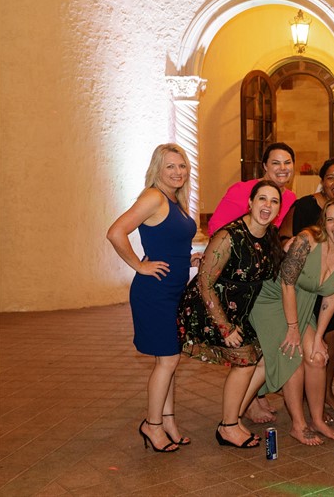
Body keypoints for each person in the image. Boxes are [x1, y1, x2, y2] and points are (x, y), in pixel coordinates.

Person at [248, 198, 334, 445]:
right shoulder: (307, 241)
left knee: (318, 356)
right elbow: (286, 283)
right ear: (323, 223)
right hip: (273, 300)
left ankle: (317, 419)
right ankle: (298, 425)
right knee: (293, 354)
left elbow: (332, 297)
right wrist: (293, 330)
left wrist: (319, 335)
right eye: (330, 219)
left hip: (303, 304)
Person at [178, 180, 284, 448]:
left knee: (261, 359)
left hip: (239, 312)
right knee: (246, 360)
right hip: (209, 308)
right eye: (262, 199)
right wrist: (225, 327)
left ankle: (233, 417)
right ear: (250, 203)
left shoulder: (268, 235)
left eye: (274, 201)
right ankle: (227, 427)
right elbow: (204, 281)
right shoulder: (230, 236)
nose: (267, 206)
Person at [107, 144, 200, 453]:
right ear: (158, 169)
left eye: (182, 166)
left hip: (174, 289)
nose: (177, 172)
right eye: (170, 166)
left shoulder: (174, 199)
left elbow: (168, 243)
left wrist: (188, 260)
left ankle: (168, 421)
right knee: (169, 359)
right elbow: (116, 232)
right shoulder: (153, 197)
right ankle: (152, 425)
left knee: (168, 360)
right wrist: (139, 265)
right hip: (155, 292)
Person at [278, 158, 334, 411]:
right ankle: (301, 403)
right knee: (294, 349)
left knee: (332, 337)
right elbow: (285, 236)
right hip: (298, 286)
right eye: (330, 177)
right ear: (322, 181)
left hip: (328, 283)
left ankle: (323, 390)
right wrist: (289, 245)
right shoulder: (304, 207)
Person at [209, 142, 296, 235]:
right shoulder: (241, 190)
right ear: (265, 166)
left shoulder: (291, 198)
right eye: (276, 163)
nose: (283, 168)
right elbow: (216, 226)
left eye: (287, 163)